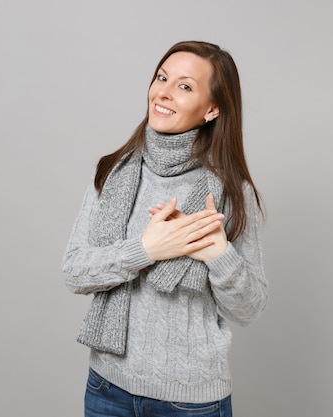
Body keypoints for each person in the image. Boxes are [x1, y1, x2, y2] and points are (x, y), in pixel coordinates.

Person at [62, 40, 268, 417]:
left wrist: (219, 255)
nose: (164, 93)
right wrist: (146, 250)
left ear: (212, 109)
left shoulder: (233, 193)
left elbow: (250, 308)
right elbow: (75, 271)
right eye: (162, 77)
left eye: (185, 86)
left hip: (190, 402)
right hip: (107, 388)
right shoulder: (114, 171)